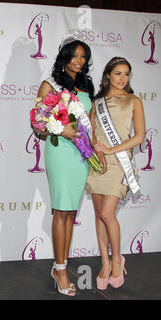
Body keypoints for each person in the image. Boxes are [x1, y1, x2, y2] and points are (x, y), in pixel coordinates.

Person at [34, 37, 97, 296]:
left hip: (81, 155)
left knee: (70, 212)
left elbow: (91, 122)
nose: (79, 61)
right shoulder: (50, 85)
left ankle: (63, 263)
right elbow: (38, 124)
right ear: (64, 57)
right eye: (74, 55)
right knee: (61, 210)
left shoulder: (87, 86)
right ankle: (59, 269)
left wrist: (94, 150)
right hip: (60, 150)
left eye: (83, 56)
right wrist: (61, 129)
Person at [85, 57, 145, 290]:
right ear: (108, 75)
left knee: (108, 214)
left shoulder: (134, 101)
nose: (122, 78)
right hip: (98, 164)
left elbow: (139, 137)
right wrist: (96, 150)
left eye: (126, 74)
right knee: (100, 214)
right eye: (118, 73)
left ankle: (118, 259)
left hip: (119, 162)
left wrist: (110, 149)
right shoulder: (96, 102)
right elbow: (90, 132)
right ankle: (104, 263)